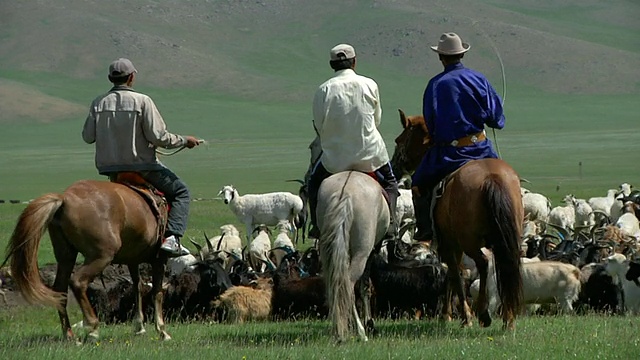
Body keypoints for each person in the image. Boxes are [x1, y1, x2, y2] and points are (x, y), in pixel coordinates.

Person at [82, 58, 201, 257]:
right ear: (131, 77)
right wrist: (184, 140)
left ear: (111, 78)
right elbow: (159, 137)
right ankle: (172, 239)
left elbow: (87, 137)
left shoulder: (98, 103)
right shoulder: (143, 101)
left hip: (110, 169)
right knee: (181, 192)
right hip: (142, 167)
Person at [412, 32, 505, 241]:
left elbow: (432, 124)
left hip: (450, 153)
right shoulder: (479, 79)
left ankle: (425, 233)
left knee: (418, 183)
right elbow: (496, 118)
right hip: (481, 148)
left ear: (440, 57)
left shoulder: (435, 85)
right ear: (462, 55)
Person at [307, 44, 399, 239]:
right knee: (391, 183)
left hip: (335, 160)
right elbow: (377, 120)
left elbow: (319, 124)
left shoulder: (323, 89)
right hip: (370, 155)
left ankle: (316, 225)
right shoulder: (370, 84)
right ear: (355, 62)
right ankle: (391, 224)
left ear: (332, 64)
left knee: (313, 184)